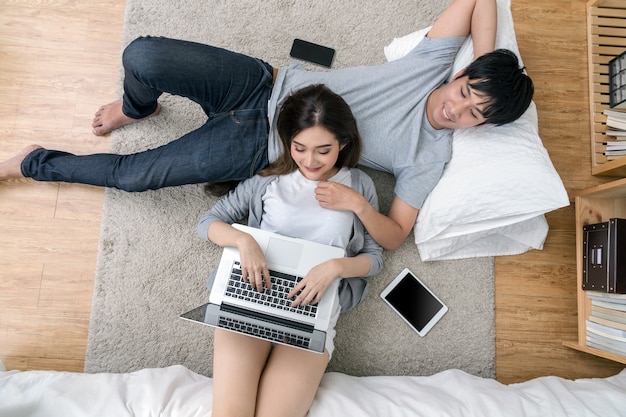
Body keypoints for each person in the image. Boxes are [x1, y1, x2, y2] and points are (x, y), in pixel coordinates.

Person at [0, 0, 533, 250]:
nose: (456, 112)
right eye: (464, 95)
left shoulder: (431, 156)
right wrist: (486, 68)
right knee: (142, 55)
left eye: (475, 116)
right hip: (259, 83)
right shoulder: (432, 64)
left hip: (260, 142)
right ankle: (138, 108)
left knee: (134, 176)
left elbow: (393, 237)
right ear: (459, 73)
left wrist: (358, 205)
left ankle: (30, 162)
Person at [197, 83, 383, 417]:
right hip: (252, 298)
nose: (310, 161)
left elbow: (375, 258)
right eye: (299, 147)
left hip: (312, 312)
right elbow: (209, 222)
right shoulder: (269, 180)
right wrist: (244, 240)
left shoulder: (358, 186)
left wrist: (338, 267)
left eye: (323, 151)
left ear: (343, 143)